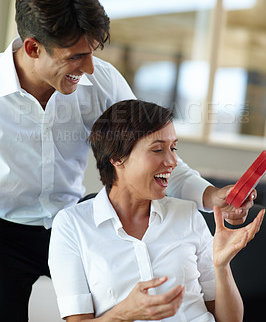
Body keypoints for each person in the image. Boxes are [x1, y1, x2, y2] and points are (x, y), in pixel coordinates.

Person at [0, 0, 255, 322]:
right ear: (32, 47)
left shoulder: (101, 80)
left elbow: (150, 151)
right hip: (6, 229)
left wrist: (210, 196)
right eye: (76, 56)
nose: (89, 67)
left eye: (92, 52)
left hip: (72, 216)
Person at [48, 99, 264, 322]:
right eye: (158, 149)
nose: (172, 161)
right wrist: (124, 313)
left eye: (173, 148)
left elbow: (230, 320)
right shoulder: (72, 225)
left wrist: (222, 266)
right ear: (117, 158)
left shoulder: (188, 215)